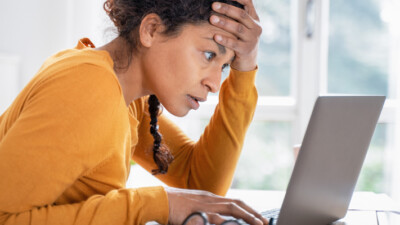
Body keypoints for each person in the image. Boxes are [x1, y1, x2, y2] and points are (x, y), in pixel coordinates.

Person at [0, 0, 266, 224]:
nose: (215, 83)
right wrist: (157, 205)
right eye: (209, 55)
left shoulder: (129, 95)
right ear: (151, 29)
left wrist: (246, 65)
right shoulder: (90, 87)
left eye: (223, 67)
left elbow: (198, 184)